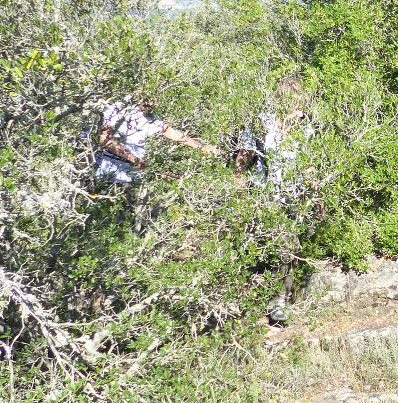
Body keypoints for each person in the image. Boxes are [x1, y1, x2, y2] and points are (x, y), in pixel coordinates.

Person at [233, 75, 312, 325]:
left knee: (289, 249)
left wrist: (315, 193)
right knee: (266, 248)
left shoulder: (305, 127)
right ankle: (255, 301)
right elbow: (244, 154)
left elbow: (308, 163)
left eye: (299, 98)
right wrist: (236, 184)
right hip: (264, 195)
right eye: (292, 97)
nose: (296, 104)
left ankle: (280, 301)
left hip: (293, 195)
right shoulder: (262, 122)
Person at [96, 93, 220, 184]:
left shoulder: (149, 115)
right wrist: (133, 159)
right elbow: (104, 139)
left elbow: (171, 132)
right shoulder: (119, 107)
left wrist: (200, 147)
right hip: (109, 176)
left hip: (132, 178)